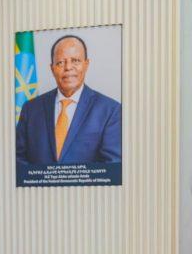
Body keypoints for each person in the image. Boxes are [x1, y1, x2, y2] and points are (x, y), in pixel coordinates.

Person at [16, 34, 121, 165]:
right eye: (60, 62)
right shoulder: (30, 109)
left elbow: (112, 165)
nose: (68, 67)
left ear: (86, 64)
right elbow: (18, 160)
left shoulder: (111, 110)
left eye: (75, 60)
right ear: (52, 68)